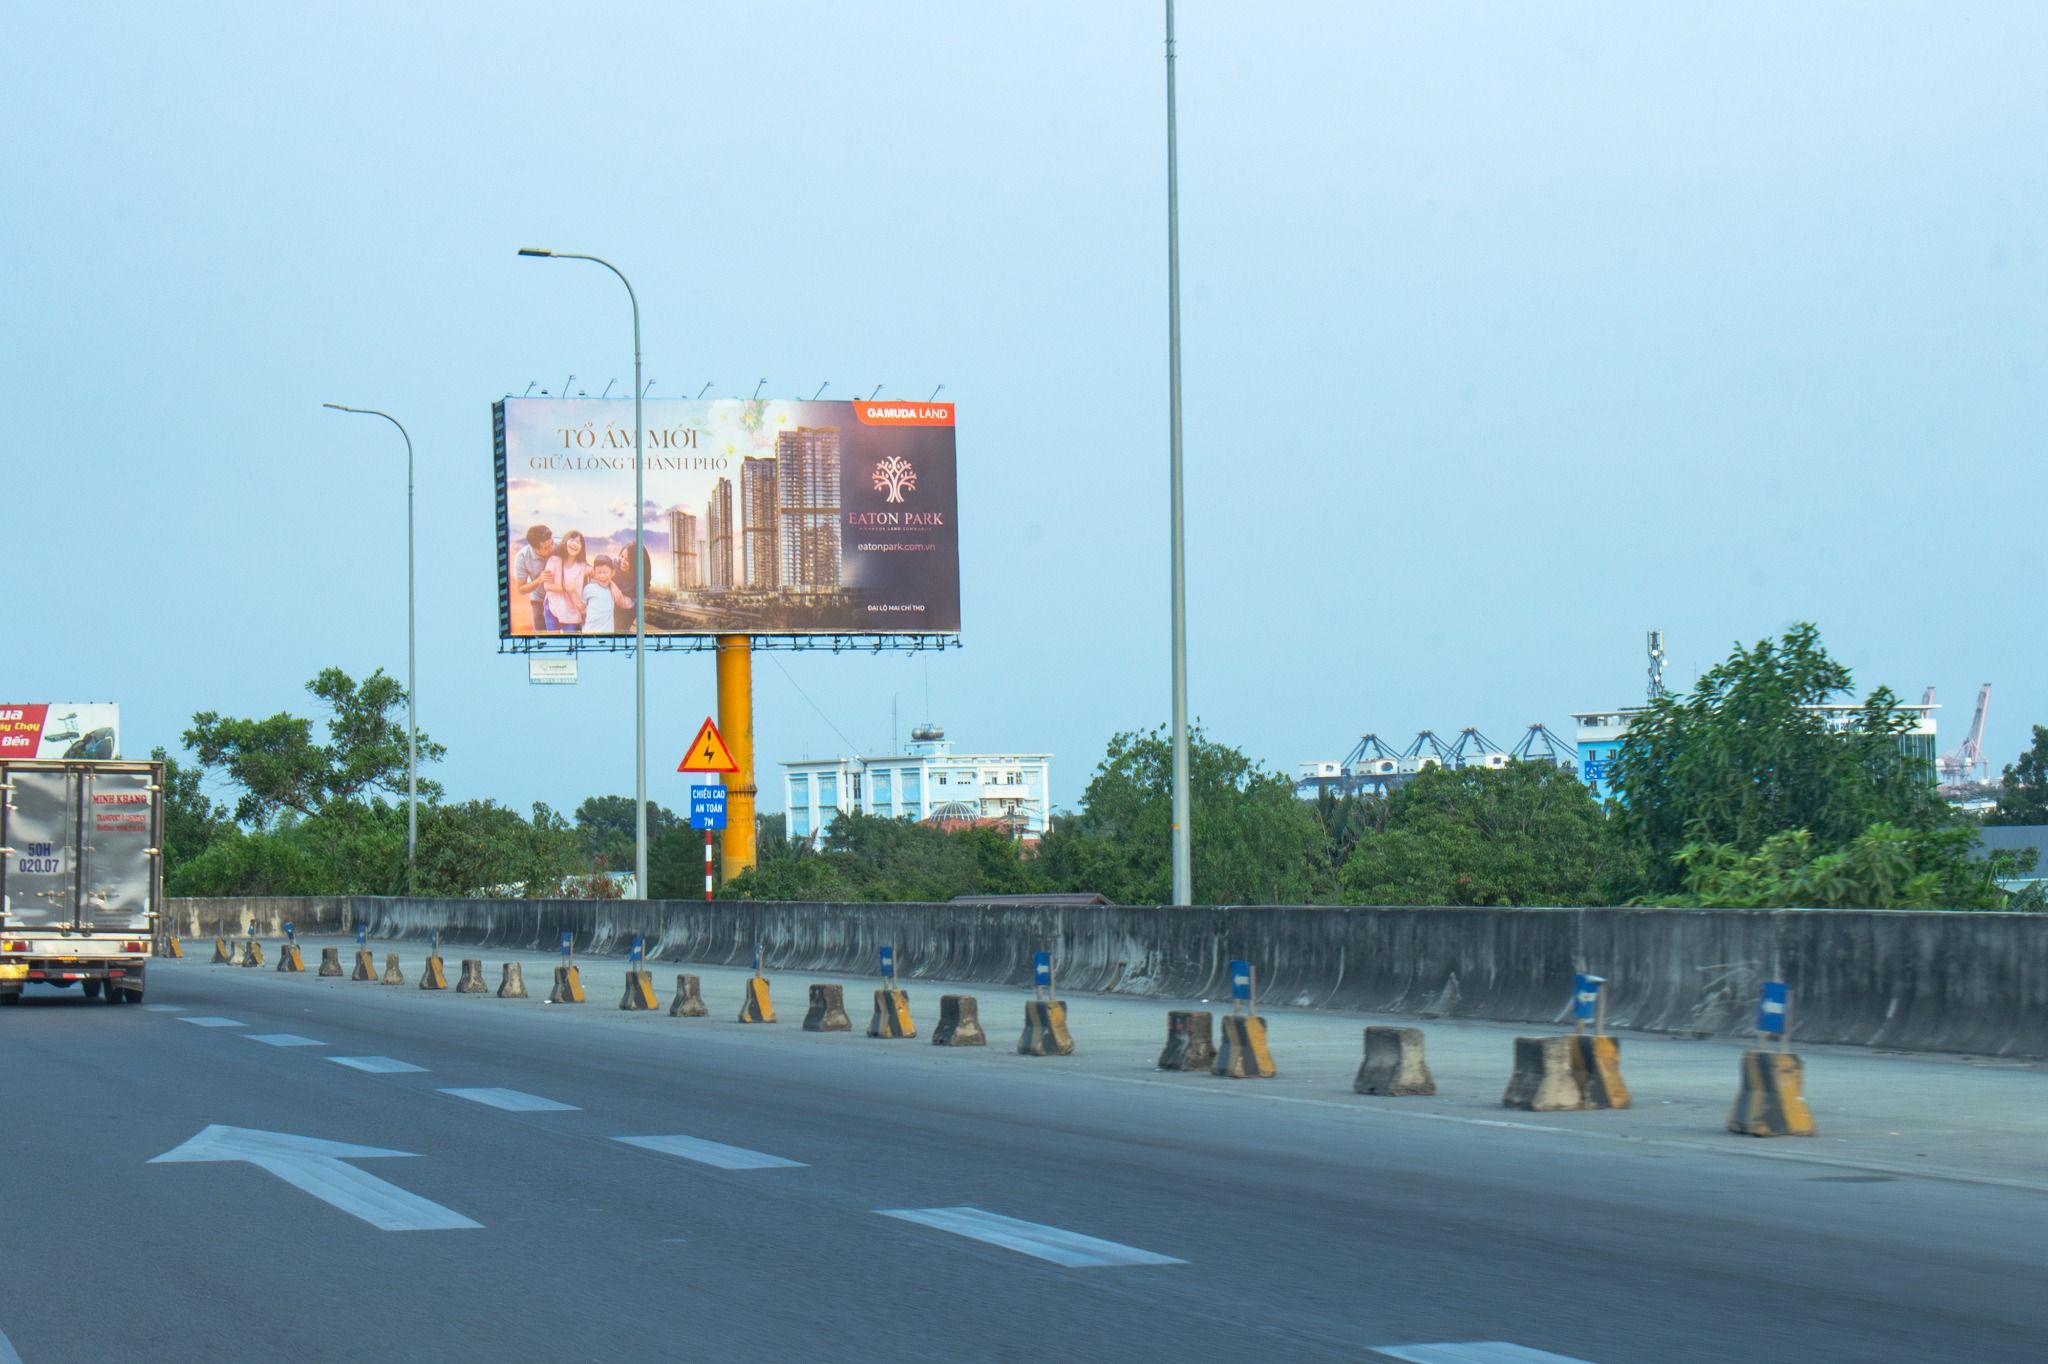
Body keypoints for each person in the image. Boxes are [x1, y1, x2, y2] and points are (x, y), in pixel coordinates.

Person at [543, 530, 589, 633]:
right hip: (552, 606)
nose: (575, 544)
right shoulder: (553, 560)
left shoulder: (583, 566)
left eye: (578, 542)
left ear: (582, 548)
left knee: (570, 643)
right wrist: (565, 588)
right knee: (553, 642)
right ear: (565, 541)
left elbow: (597, 572)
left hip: (571, 612)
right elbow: (547, 586)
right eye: (572, 540)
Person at [513, 525, 555, 631]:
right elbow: (521, 589)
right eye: (546, 547)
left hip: (562, 597)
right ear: (534, 548)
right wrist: (539, 580)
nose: (552, 548)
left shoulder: (560, 545)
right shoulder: (522, 557)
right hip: (539, 598)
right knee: (541, 632)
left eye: (552, 543)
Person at [581, 556, 632, 634]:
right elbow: (582, 608)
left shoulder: (613, 589)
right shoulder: (589, 588)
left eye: (605, 572)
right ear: (594, 572)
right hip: (589, 632)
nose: (602, 576)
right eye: (599, 573)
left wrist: (611, 583)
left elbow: (625, 602)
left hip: (607, 635)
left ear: (612, 573)